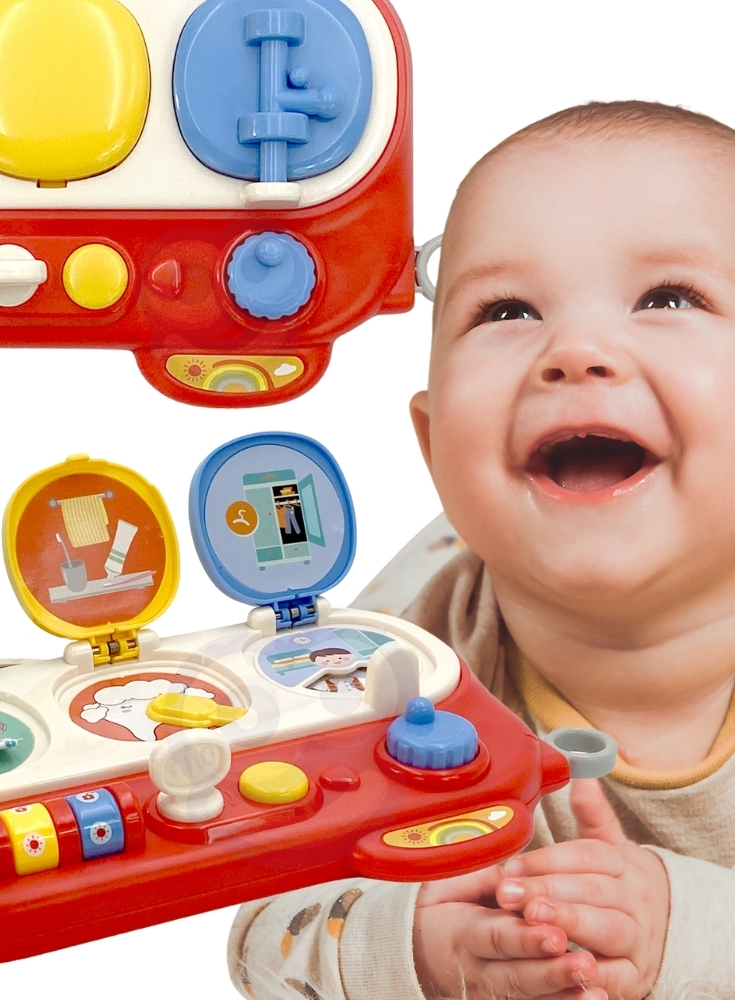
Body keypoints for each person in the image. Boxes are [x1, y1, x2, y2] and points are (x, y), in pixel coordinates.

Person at [228, 101, 735, 1000]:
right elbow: (267, 927)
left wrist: (687, 934)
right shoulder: (383, 668)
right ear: (433, 450)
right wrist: (412, 947)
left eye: (668, 299)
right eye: (506, 309)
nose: (575, 351)